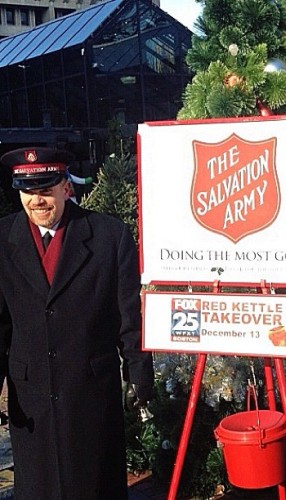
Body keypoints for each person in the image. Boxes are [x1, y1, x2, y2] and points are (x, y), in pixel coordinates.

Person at [0, 147, 154, 499]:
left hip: (90, 391)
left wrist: (138, 372)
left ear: (65, 187)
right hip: (31, 395)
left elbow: (128, 314)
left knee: (94, 482)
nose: (36, 201)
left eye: (45, 189)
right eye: (28, 191)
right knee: (39, 486)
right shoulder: (3, 240)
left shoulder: (108, 237)